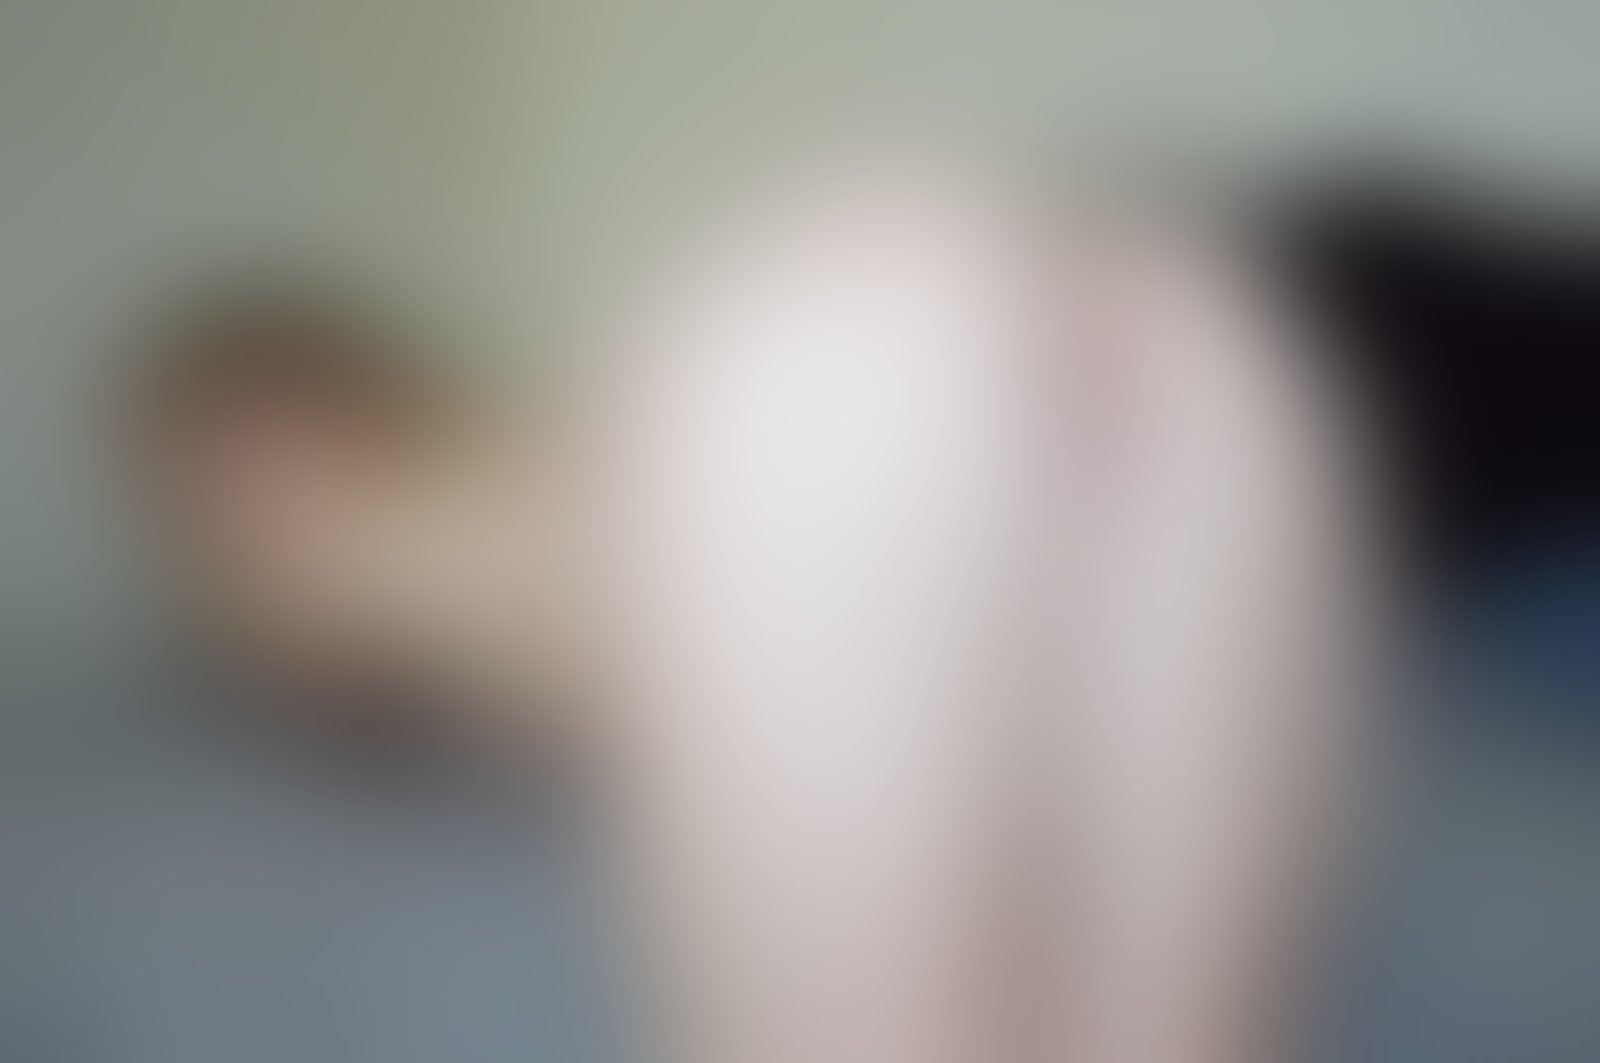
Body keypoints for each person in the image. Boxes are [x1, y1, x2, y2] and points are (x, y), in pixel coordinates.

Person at [1, 288, 627, 1063]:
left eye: (336, 494)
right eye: (237, 521)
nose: (302, 566)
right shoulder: (78, 805)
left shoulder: (608, 753)